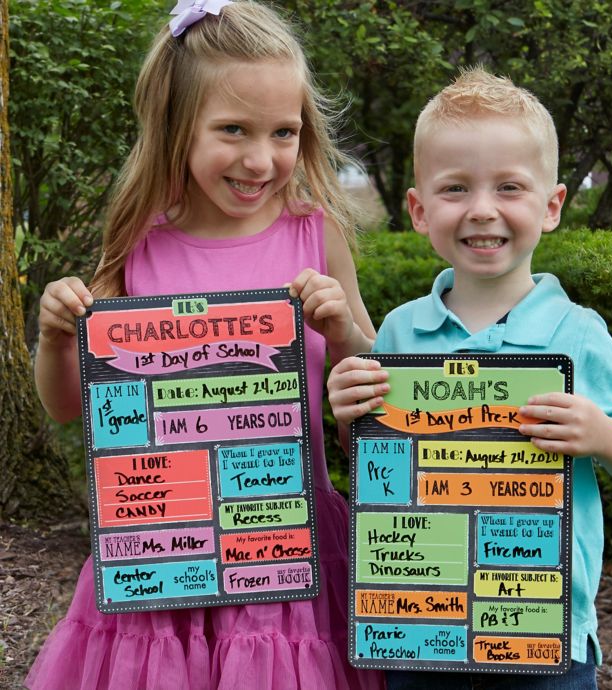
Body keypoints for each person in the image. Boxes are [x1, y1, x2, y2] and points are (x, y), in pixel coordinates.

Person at [26, 2, 385, 689]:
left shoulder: (317, 232)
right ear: (175, 129)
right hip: (163, 549)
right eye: (232, 131)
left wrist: (342, 332)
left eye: (284, 132)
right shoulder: (138, 243)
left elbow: (369, 407)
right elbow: (71, 407)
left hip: (285, 552)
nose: (261, 159)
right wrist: (53, 338)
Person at [327, 66, 612, 690]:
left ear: (552, 205)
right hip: (421, 623)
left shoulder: (577, 332)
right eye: (456, 189)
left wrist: (601, 435)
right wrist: (353, 421)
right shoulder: (399, 333)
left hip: (545, 633)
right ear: (420, 210)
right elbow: (383, 475)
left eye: (509, 186)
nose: (483, 210)